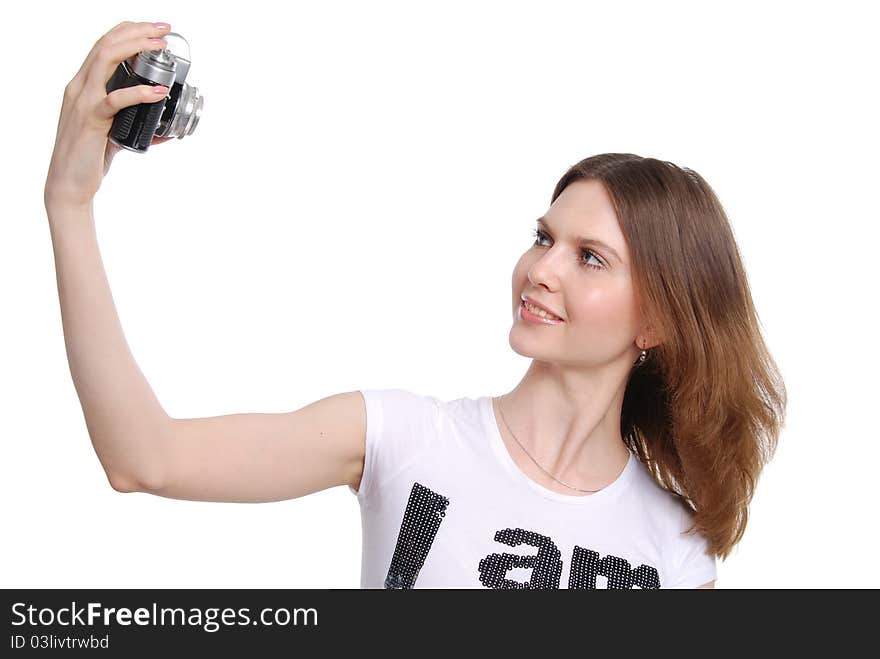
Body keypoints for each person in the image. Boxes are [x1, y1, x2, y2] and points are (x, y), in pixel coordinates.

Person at [44, 20, 787, 590]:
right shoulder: (403, 438)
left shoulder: (674, 549)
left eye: (588, 258)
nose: (539, 269)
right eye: (542, 237)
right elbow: (145, 457)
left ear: (655, 319)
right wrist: (69, 203)